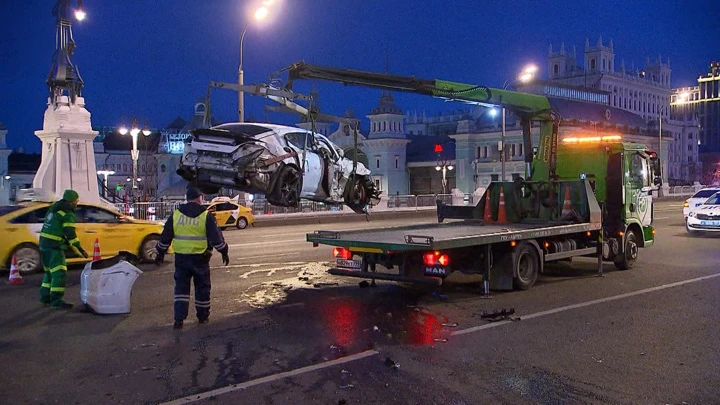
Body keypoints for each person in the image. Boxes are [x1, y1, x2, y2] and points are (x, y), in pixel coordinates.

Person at [155, 186, 229, 329]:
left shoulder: (176, 214)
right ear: (199, 198)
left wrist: (160, 253)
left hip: (182, 259)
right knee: (202, 288)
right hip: (200, 258)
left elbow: (165, 237)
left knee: (181, 289)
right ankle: (202, 316)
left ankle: (179, 319)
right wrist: (224, 251)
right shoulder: (205, 215)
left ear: (186, 198)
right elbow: (216, 239)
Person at [39, 189, 88, 309]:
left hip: (43, 244)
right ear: (72, 201)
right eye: (76, 200)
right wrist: (80, 249)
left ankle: (45, 298)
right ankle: (56, 302)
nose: (77, 202)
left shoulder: (54, 209)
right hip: (54, 246)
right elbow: (70, 233)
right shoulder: (68, 214)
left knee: (49, 272)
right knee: (59, 273)